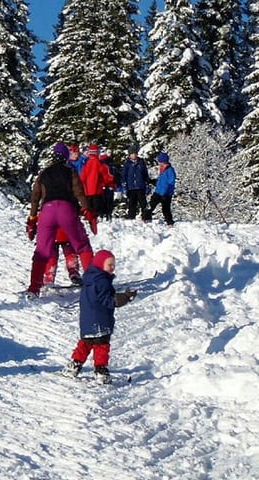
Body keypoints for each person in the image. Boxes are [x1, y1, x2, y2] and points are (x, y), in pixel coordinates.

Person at [25, 142, 97, 298]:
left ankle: (34, 288)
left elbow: (35, 197)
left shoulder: (44, 173)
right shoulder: (69, 171)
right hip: (66, 209)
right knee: (82, 245)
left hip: (47, 211)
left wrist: (32, 219)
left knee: (41, 251)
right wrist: (87, 211)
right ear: (65, 156)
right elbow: (79, 192)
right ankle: (94, 283)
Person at [61, 250, 137, 384]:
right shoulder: (102, 281)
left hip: (87, 319)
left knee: (86, 342)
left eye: (114, 265)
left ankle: (75, 365)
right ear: (101, 264)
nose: (112, 267)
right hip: (100, 319)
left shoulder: (90, 278)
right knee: (101, 345)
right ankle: (101, 370)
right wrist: (124, 298)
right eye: (109, 265)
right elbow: (107, 300)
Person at [144, 152, 177, 226]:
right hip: (158, 192)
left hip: (166, 194)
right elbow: (161, 181)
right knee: (150, 205)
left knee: (166, 209)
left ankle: (170, 222)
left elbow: (171, 183)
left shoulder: (170, 170)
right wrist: (153, 181)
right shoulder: (162, 169)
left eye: (160, 162)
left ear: (164, 162)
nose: (159, 164)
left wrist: (166, 193)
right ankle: (146, 219)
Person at [80, 143, 114, 214]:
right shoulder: (99, 163)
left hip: (88, 190)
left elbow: (82, 177)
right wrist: (111, 181)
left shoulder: (86, 162)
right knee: (98, 208)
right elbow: (105, 175)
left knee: (90, 208)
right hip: (97, 189)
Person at [121, 146, 150, 221]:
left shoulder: (141, 162)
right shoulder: (127, 164)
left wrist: (147, 183)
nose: (134, 155)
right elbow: (124, 175)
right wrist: (124, 184)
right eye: (132, 154)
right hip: (131, 187)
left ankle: (145, 217)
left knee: (143, 203)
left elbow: (145, 174)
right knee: (132, 203)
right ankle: (131, 217)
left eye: (135, 153)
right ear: (129, 155)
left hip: (140, 186)